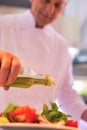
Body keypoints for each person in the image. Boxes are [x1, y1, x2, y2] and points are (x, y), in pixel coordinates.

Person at [0, 0, 87, 124]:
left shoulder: (61, 45)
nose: (50, 10)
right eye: (46, 1)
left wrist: (84, 113)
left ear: (64, 7)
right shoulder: (3, 25)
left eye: (57, 5)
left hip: (41, 124)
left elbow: (67, 93)